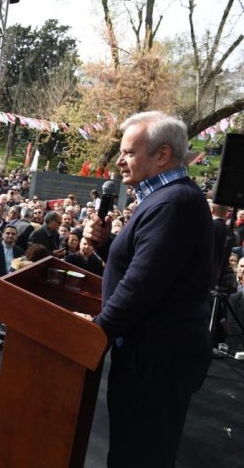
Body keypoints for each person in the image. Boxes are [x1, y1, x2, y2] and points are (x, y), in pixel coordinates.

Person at [83, 111, 213, 467]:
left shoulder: (174, 202)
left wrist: (91, 336)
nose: (120, 162)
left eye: (128, 152)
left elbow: (141, 287)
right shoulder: (167, 199)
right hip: (152, 357)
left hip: (157, 362)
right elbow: (151, 271)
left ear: (162, 155)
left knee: (140, 456)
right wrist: (106, 245)